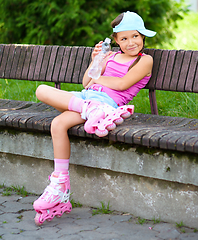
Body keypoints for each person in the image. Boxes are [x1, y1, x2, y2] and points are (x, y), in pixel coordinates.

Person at [33, 11, 156, 225]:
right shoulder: (111, 56)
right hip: (87, 101)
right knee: (51, 110)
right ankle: (59, 186)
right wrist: (96, 61)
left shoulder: (144, 61)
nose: (131, 42)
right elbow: (86, 83)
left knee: (56, 109)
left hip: (107, 104)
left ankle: (94, 112)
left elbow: (121, 85)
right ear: (116, 40)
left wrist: (99, 78)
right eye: (124, 38)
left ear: (143, 36)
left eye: (135, 36)